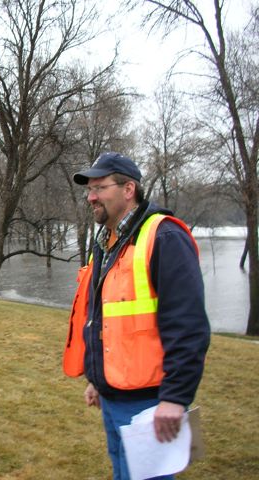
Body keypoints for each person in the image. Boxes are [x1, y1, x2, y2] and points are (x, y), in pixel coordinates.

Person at [63, 152, 210, 480]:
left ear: (128, 189)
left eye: (99, 187)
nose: (91, 197)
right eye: (89, 189)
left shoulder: (164, 237)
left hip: (151, 404)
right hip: (114, 398)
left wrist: (174, 398)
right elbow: (104, 321)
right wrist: (97, 379)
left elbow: (188, 326)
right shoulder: (107, 242)